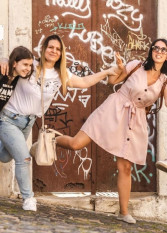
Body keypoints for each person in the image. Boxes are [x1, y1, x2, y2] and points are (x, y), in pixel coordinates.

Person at [0, 34, 123, 212]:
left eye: (58, 49)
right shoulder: (31, 65)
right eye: (51, 47)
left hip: (28, 122)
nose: (54, 51)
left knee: (5, 156)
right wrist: (4, 59)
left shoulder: (61, 73)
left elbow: (83, 82)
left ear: (61, 53)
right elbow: (14, 61)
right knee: (24, 158)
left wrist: (106, 72)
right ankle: (28, 199)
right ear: (43, 48)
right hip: (9, 118)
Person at [56, 38, 167, 224]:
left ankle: (123, 212)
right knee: (76, 144)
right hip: (113, 110)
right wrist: (118, 68)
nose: (159, 51)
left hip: (135, 120)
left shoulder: (164, 80)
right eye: (156, 48)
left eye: (164, 50)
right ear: (151, 51)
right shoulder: (136, 65)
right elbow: (112, 81)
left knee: (125, 166)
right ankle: (51, 140)